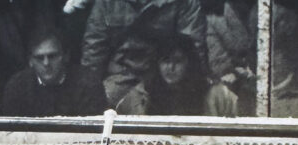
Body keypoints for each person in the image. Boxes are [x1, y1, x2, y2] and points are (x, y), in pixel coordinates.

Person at [80, 0, 208, 105]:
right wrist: (93, 90)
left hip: (166, 79)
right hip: (120, 77)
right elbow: (93, 49)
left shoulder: (186, 3)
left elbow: (194, 50)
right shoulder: (106, 3)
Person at [114, 34, 236, 117]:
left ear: (189, 64)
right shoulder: (139, 96)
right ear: (157, 63)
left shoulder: (218, 95)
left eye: (178, 61)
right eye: (165, 61)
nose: (171, 68)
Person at [1, 28, 108, 117]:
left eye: (52, 56)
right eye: (39, 58)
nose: (46, 63)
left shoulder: (88, 83)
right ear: (30, 61)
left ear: (66, 56)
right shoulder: (17, 86)